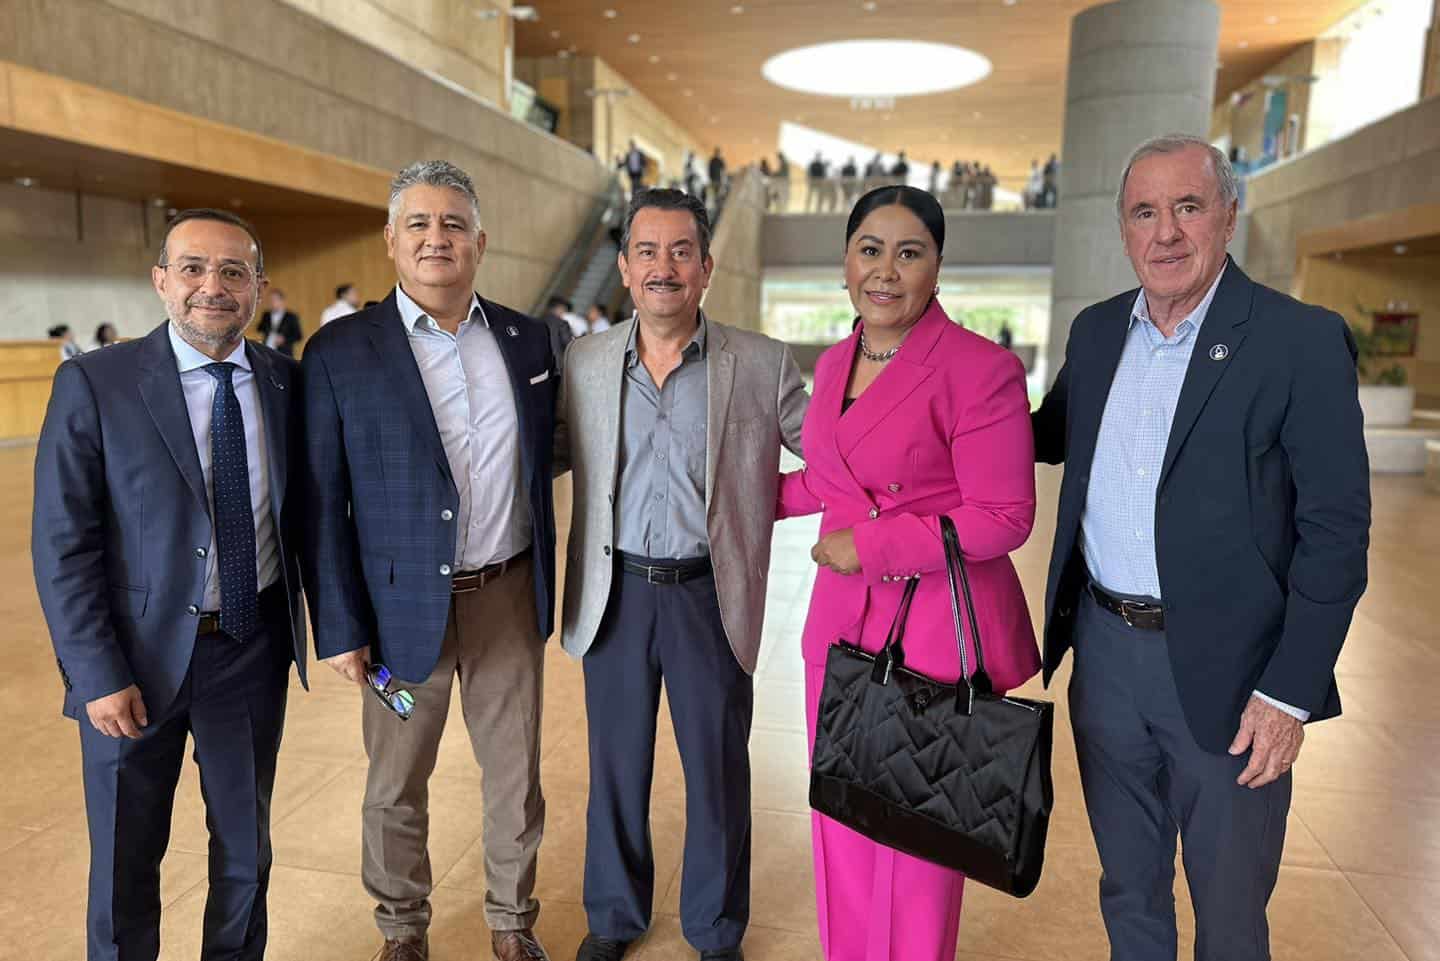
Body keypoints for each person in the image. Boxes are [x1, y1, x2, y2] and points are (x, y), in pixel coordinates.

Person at [1031, 134, 1370, 961]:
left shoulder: (1299, 340)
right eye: (1144, 212)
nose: (1166, 232)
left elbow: (1336, 534)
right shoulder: (1098, 332)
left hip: (1235, 677)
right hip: (1106, 659)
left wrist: (1288, 694)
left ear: (1228, 215)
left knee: (1229, 912)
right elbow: (1044, 435)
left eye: (1188, 206)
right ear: (1123, 229)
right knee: (1129, 889)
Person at [33, 208, 308, 961]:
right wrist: (96, 673)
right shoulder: (96, 382)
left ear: (258, 288)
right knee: (124, 860)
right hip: (132, 662)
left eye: (233, 271)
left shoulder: (287, 382)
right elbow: (62, 542)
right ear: (161, 280)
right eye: (192, 268)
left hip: (249, 649)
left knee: (245, 852)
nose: (211, 286)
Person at [301, 161, 559, 961]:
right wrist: (340, 625)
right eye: (418, 222)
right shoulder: (341, 351)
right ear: (391, 239)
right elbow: (321, 500)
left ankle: (512, 922)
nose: (436, 237)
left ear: (480, 241)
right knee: (396, 776)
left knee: (513, 773)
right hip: (395, 625)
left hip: (505, 602)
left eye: (453, 224)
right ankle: (402, 927)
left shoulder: (525, 340)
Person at [774, 185, 1039, 961]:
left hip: (930, 635)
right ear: (845, 263)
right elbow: (834, 477)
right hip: (840, 628)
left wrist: (874, 545)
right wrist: (748, 498)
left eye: (909, 252)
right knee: (842, 822)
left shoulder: (980, 368)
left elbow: (1004, 514)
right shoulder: (834, 361)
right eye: (870, 250)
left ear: (937, 267)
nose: (885, 271)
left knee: (917, 845)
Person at [555, 188, 808, 961]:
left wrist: (762, 504)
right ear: (625, 268)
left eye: (680, 251)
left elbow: (832, 453)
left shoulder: (759, 362)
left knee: (718, 771)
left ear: (706, 266)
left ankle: (716, 928)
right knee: (615, 768)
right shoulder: (585, 361)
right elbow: (547, 455)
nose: (663, 266)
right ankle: (614, 916)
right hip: (616, 594)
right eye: (647, 251)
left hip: (710, 593)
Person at [255, 287, 303, 356]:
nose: (272, 302)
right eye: (270, 300)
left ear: (281, 300)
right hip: (266, 352)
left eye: (274, 299)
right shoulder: (266, 315)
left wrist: (284, 339)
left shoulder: (291, 316)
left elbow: (299, 336)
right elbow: (259, 329)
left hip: (284, 353)